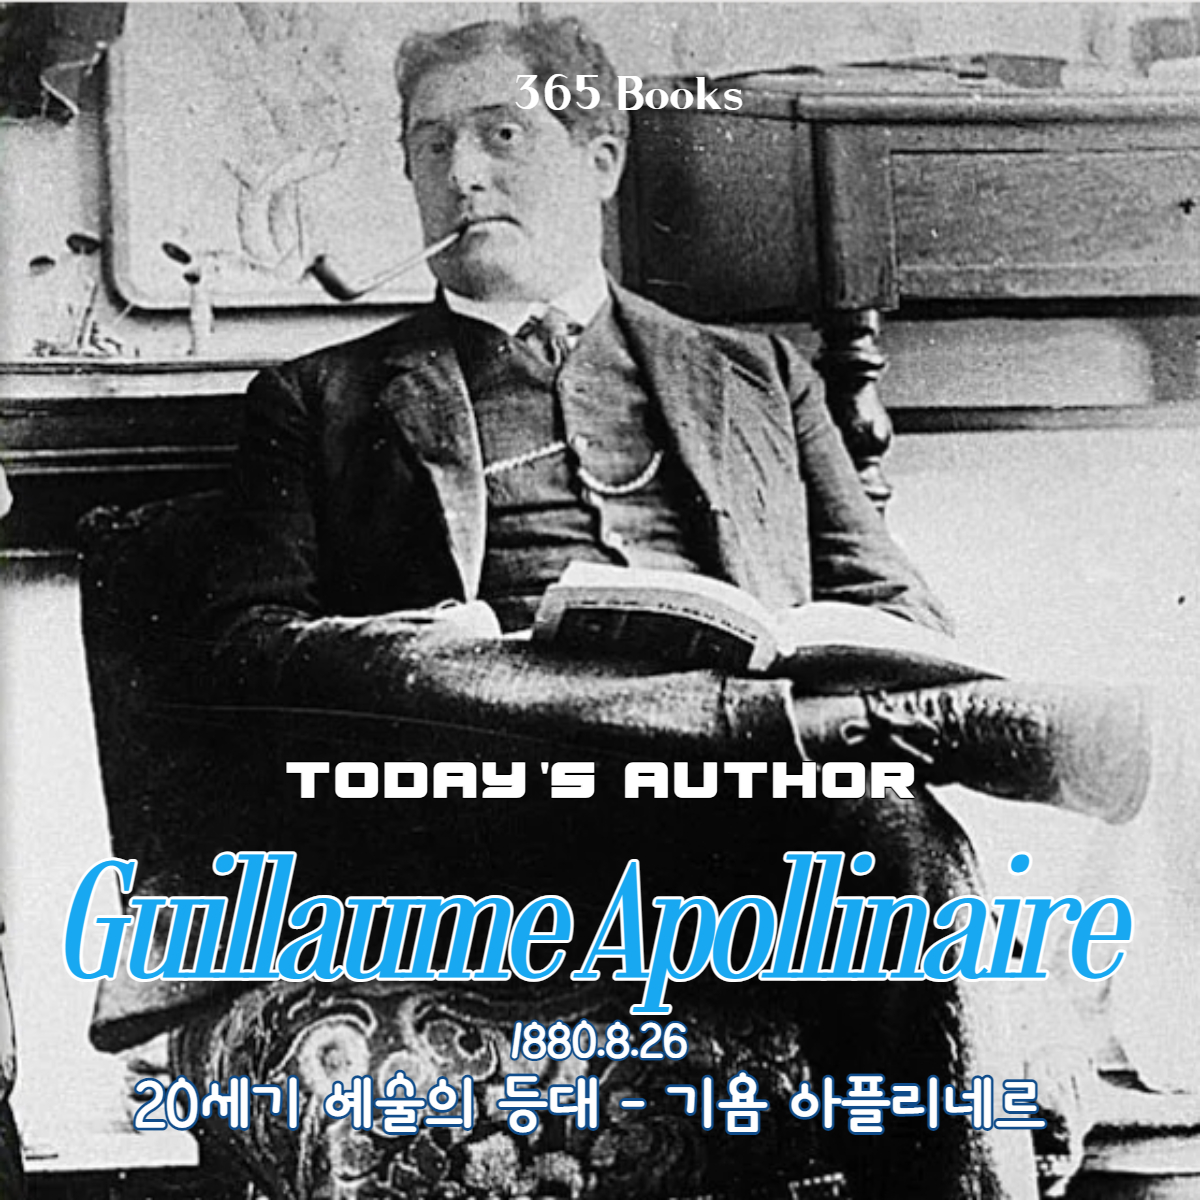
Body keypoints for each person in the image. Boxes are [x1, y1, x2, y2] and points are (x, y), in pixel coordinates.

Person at [89, 18, 1152, 1200]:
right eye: (431, 146)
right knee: (500, 682)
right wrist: (423, 648)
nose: (462, 172)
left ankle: (814, 734)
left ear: (599, 158)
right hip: (483, 831)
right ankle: (871, 730)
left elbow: (892, 607)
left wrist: (812, 655)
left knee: (894, 836)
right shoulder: (317, 397)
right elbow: (242, 650)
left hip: (734, 835)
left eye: (501, 135)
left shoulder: (763, 377)